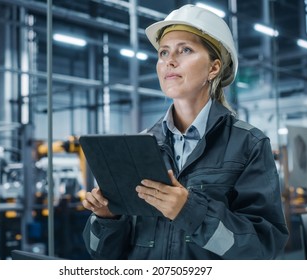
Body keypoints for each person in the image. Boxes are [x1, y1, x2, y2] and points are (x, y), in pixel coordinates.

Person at [81, 4, 289, 259]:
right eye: (163, 52)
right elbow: (102, 257)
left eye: (185, 50)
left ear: (213, 68)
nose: (169, 60)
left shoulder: (248, 144)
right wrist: (107, 219)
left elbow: (263, 250)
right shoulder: (141, 145)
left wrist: (188, 211)